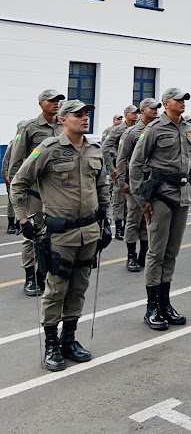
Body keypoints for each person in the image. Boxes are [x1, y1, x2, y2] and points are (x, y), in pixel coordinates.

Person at [10, 99, 109, 372]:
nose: (84, 118)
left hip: (88, 232)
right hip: (59, 234)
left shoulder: (94, 150)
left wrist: (106, 220)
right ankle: (52, 345)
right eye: (78, 114)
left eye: (86, 114)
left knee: (79, 288)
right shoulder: (48, 149)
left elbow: (103, 186)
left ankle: (69, 340)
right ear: (63, 120)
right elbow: (19, 182)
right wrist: (22, 219)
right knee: (56, 289)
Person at [129, 87, 191, 330]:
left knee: (171, 252)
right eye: (178, 100)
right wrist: (141, 198)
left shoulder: (188, 129)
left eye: (184, 100)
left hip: (182, 196)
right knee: (156, 253)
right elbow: (136, 164)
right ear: (166, 104)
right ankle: (152, 307)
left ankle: (165, 303)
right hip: (160, 197)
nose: (182, 103)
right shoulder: (154, 129)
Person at [8, 88, 64, 296]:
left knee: (57, 234)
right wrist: (17, 194)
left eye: (58, 100)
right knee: (33, 235)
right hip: (35, 191)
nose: (56, 103)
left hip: (58, 191)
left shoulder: (65, 125)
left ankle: (48, 274)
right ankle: (31, 278)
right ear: (41, 103)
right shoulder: (29, 128)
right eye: (51, 100)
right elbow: (16, 162)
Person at [116, 98, 161, 271]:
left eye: (157, 108)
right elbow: (122, 158)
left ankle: (144, 253)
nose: (156, 111)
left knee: (148, 219)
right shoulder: (132, 133)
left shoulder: (158, 129)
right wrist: (123, 181)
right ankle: (131, 255)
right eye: (152, 108)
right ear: (143, 111)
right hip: (137, 180)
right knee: (134, 219)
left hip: (153, 180)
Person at [102, 105, 139, 240]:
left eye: (137, 113)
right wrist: (111, 169)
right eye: (133, 113)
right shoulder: (118, 130)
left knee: (132, 198)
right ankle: (118, 227)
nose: (136, 115)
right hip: (121, 167)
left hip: (134, 168)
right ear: (126, 114)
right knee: (119, 198)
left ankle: (128, 225)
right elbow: (105, 147)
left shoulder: (138, 129)